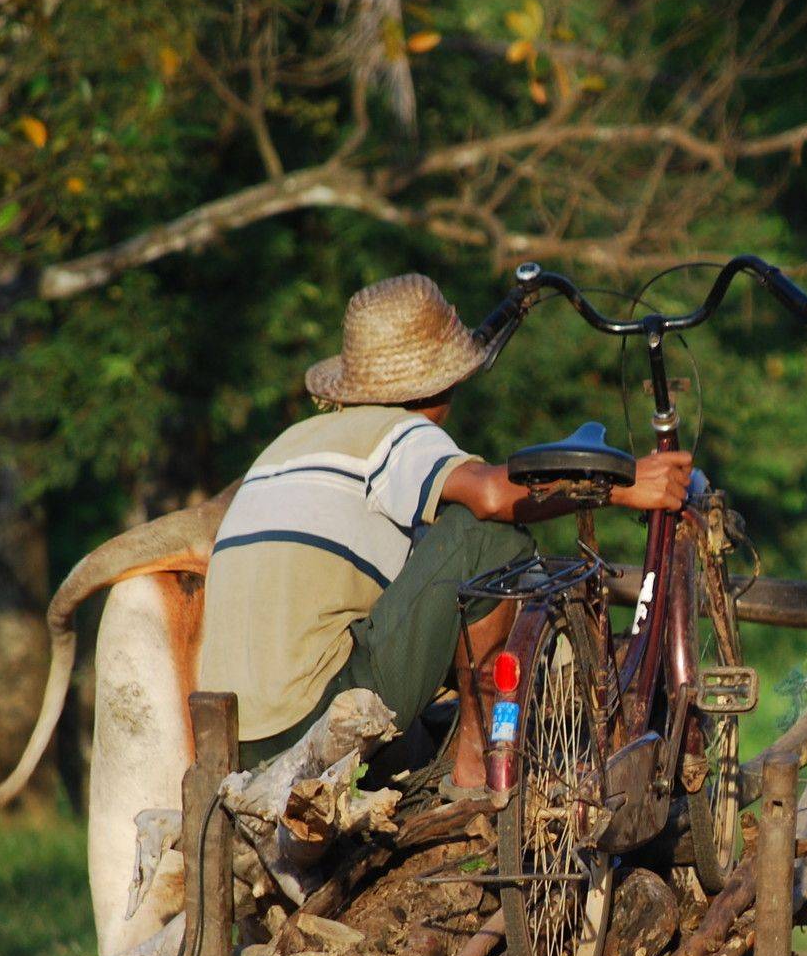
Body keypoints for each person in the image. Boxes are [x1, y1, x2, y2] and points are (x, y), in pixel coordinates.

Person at [197, 273, 691, 791]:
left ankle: (443, 753)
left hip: (238, 737)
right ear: (446, 382)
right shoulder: (396, 433)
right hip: (312, 717)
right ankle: (477, 766)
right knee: (490, 537)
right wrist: (621, 484)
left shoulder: (290, 442)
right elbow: (492, 498)